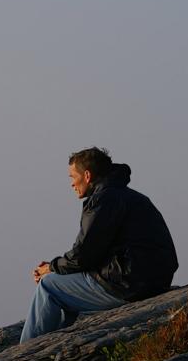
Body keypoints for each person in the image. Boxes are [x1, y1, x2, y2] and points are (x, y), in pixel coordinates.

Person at [20, 147, 178, 343]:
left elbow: (83, 256)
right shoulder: (129, 196)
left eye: (72, 176)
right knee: (60, 283)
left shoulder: (103, 199)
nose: (71, 183)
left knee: (49, 286)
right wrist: (56, 268)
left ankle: (27, 351)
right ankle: (50, 345)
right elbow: (94, 254)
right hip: (151, 279)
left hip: (128, 284)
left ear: (86, 175)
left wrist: (51, 268)